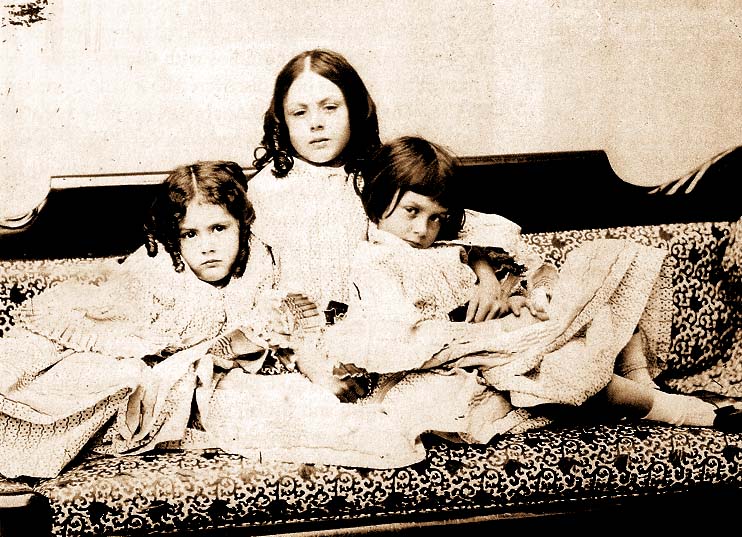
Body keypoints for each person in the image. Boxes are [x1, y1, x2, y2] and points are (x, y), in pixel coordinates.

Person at [313, 135, 740, 438]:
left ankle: (644, 383)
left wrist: (514, 295)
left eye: (436, 217)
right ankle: (685, 411)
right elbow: (405, 336)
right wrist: (491, 331)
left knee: (597, 295)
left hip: (501, 341)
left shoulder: (447, 246)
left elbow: (492, 249)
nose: (422, 229)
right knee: (568, 368)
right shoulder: (377, 261)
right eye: (411, 211)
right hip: (453, 361)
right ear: (380, 197)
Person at [0, 160, 317, 479]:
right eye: (190, 234)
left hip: (195, 369)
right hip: (120, 349)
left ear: (241, 225)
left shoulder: (259, 262)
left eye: (219, 229)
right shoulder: (159, 272)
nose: (207, 247)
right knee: (116, 378)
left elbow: (267, 324)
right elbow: (124, 331)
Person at [248, 48, 505, 399]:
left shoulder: (378, 173)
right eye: (300, 112)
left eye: (330, 107)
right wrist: (311, 363)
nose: (316, 123)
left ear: (354, 109)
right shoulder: (265, 192)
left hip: (389, 328)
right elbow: (260, 288)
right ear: (283, 121)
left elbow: (455, 228)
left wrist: (487, 279)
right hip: (309, 344)